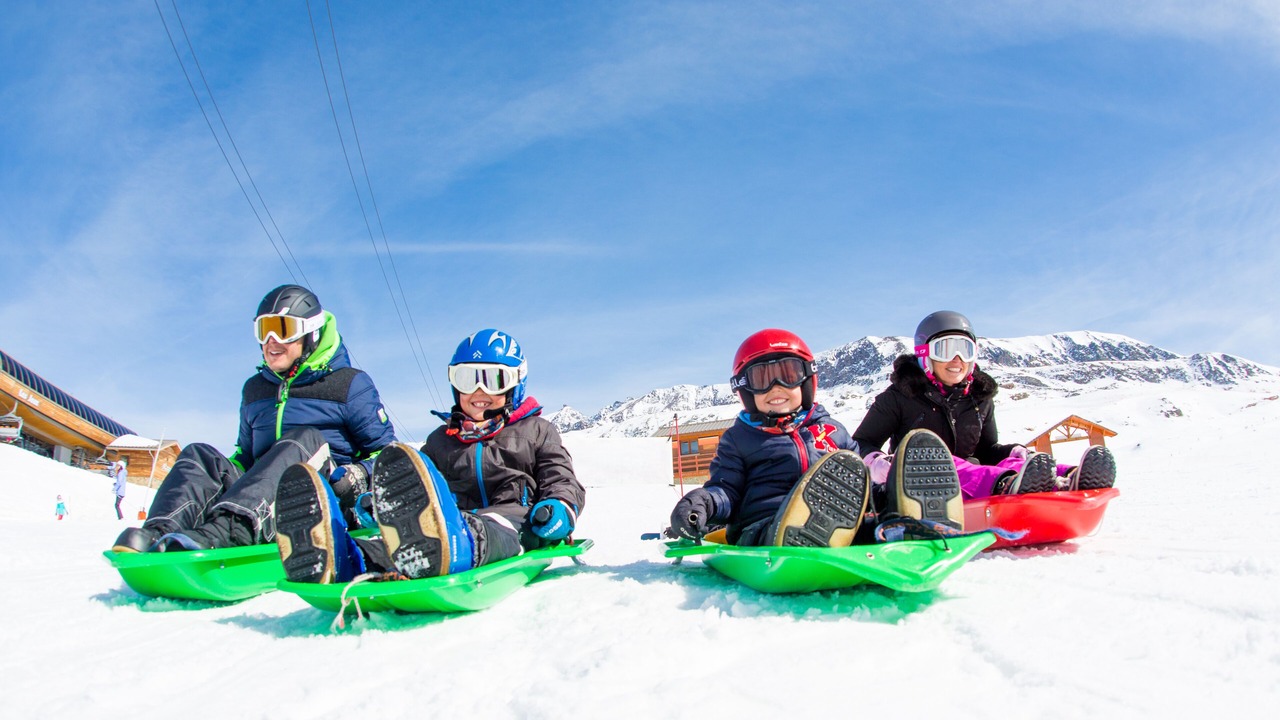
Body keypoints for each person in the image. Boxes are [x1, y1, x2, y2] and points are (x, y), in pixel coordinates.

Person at [274, 328, 587, 584]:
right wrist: (382, 501)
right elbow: (417, 482)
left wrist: (560, 507)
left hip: (515, 522)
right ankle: (344, 558)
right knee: (403, 541)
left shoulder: (536, 431)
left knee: (488, 529)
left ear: (515, 385)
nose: (478, 391)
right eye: (467, 379)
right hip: (447, 524)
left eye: (492, 380)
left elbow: (561, 478)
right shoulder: (441, 440)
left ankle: (457, 546)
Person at [110, 284, 397, 553]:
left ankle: (229, 532)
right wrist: (217, 476)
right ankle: (161, 532)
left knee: (302, 439)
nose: (271, 341)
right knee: (200, 454)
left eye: (282, 330)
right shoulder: (255, 389)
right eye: (264, 330)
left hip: (324, 502)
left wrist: (357, 476)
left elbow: (388, 454)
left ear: (310, 333)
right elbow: (245, 457)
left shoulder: (348, 384)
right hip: (261, 502)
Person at [668, 328, 964, 548]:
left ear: (807, 380)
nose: (776, 387)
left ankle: (913, 523)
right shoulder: (738, 440)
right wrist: (703, 503)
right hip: (765, 528)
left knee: (868, 513)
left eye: (788, 374)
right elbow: (726, 491)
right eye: (762, 379)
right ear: (746, 390)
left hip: (842, 525)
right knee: (778, 528)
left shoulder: (833, 430)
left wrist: (884, 495)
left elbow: (860, 484)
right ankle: (805, 533)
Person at [850, 310, 1117, 500]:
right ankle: (1007, 485)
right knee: (937, 459)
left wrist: (1015, 453)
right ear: (925, 355)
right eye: (945, 349)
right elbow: (861, 442)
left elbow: (986, 450)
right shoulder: (898, 397)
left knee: (1011, 459)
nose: (956, 359)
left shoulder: (978, 398)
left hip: (972, 481)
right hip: (917, 486)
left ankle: (1066, 477)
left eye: (964, 350)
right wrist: (879, 462)